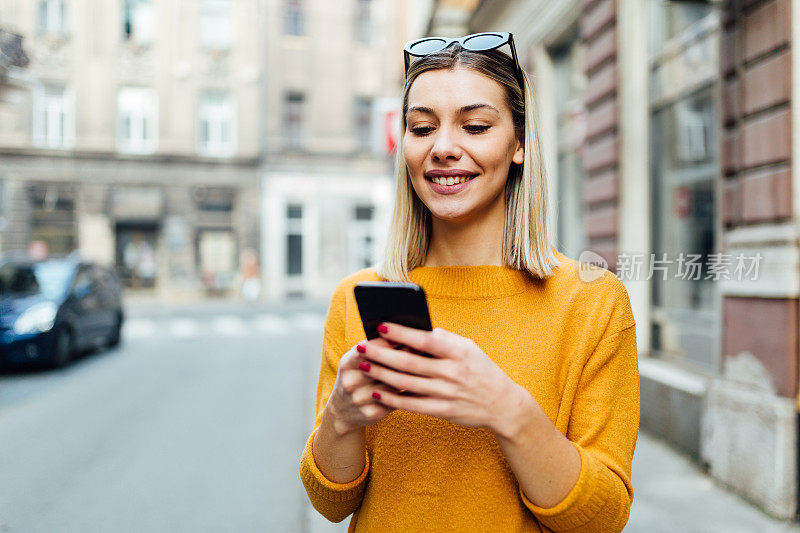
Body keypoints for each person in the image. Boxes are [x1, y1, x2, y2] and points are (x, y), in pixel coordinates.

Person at [299, 32, 638, 533]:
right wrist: (342, 418)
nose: (442, 148)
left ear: (519, 143)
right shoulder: (358, 298)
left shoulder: (591, 301)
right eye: (421, 128)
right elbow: (331, 503)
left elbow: (604, 518)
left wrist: (506, 409)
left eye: (475, 126)